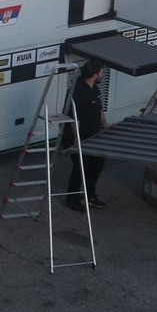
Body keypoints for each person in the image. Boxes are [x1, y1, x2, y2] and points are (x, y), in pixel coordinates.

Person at [64, 61, 108, 211]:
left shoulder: (94, 88)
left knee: (97, 163)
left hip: (92, 135)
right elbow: (73, 118)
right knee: (80, 167)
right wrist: (76, 139)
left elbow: (99, 107)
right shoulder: (77, 92)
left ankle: (89, 195)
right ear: (94, 75)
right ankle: (72, 199)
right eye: (101, 73)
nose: (102, 75)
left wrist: (105, 124)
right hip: (78, 137)